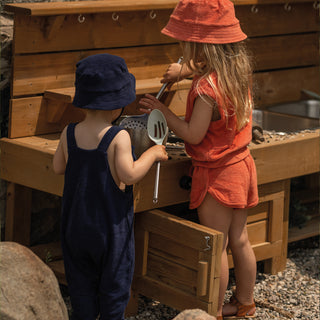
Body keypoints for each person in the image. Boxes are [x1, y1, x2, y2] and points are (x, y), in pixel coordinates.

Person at [139, 0, 259, 319]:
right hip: (242, 165)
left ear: (199, 45)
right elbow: (211, 67)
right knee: (240, 240)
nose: (184, 49)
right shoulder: (237, 71)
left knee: (215, 245)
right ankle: (246, 304)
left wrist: (163, 111)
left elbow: (192, 135)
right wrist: (184, 71)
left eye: (187, 45)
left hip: (217, 174)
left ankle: (214, 312)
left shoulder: (206, 88)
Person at [53, 53, 168, 320]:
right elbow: (128, 175)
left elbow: (59, 167)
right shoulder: (119, 136)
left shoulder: (69, 132)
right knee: (114, 287)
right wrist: (153, 155)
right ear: (116, 106)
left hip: (75, 227)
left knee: (81, 285)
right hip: (110, 230)